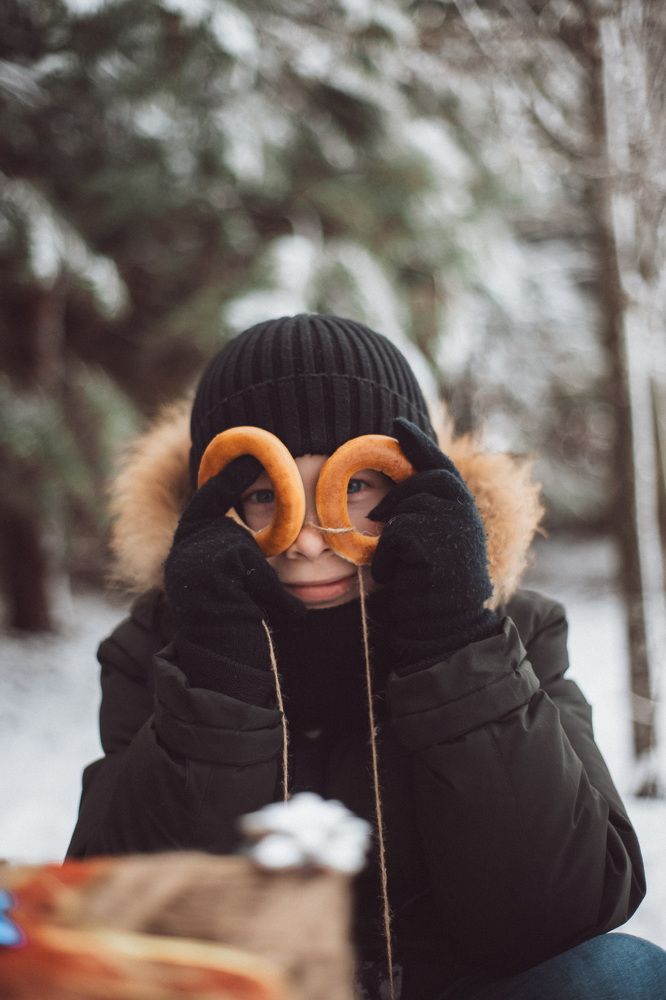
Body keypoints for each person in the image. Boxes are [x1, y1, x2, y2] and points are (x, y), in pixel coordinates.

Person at [67, 314, 665, 999]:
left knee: (622, 976)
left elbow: (563, 910)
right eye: (266, 494)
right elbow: (116, 935)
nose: (311, 541)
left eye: (355, 486)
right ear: (215, 506)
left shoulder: (512, 632)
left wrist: (453, 643)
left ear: (413, 486)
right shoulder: (158, 652)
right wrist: (216, 673)